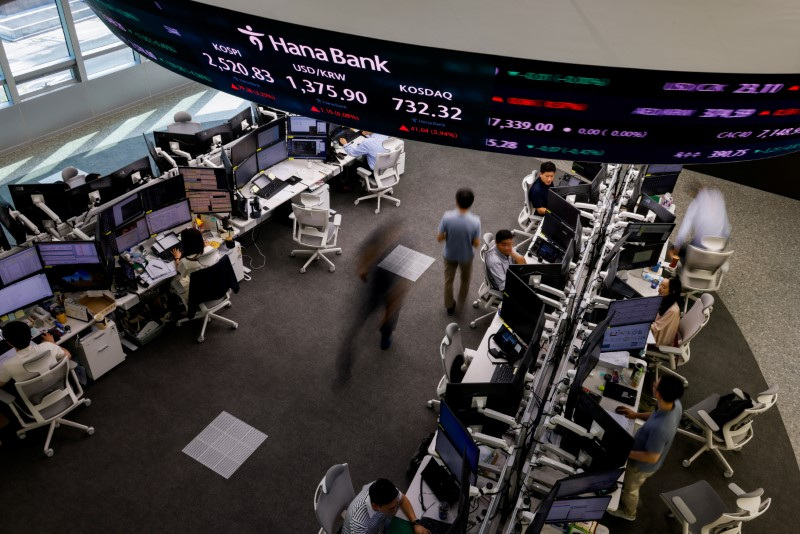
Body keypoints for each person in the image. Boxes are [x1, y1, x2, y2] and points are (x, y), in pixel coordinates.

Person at [336, 222, 411, 382]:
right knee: (368, 317)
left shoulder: (400, 249)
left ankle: (384, 335)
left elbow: (399, 289)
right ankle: (382, 338)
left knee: (376, 315)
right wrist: (363, 270)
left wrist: (387, 314)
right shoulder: (386, 239)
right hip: (379, 285)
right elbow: (365, 254)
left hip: (383, 286)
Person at [608, 375, 685, 522]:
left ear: (658, 394)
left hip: (640, 466)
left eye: (657, 383)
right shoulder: (674, 404)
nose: (655, 382)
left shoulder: (660, 429)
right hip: (644, 447)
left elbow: (651, 457)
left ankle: (629, 512)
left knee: (630, 490)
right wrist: (635, 415)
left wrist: (626, 452)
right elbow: (656, 414)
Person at [437, 188, 481, 316]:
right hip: (466, 256)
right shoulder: (475, 221)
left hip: (449, 254)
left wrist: (449, 236)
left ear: (456, 201)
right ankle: (461, 304)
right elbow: (477, 244)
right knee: (465, 280)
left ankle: (449, 306)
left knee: (448, 281)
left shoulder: (447, 216)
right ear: (471, 203)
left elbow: (439, 238)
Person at [342, 478, 431, 534]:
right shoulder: (358, 523)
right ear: (376, 506)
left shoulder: (384, 489)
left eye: (396, 505)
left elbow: (403, 500)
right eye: (391, 508)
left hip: (380, 525)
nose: (396, 509)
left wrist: (416, 523)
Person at [0, 321, 71, 387]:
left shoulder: (7, 365)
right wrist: (52, 343)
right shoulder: (48, 346)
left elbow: (1, 383)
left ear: (9, 343)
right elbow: (68, 356)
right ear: (30, 335)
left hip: (35, 395)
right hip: (58, 384)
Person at [670, 186, 730, 263]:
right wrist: (719, 249)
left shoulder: (695, 204)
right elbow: (727, 231)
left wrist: (676, 249)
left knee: (675, 249)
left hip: (697, 250)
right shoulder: (719, 197)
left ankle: (680, 269)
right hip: (716, 252)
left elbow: (683, 231)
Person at [171, 227, 219, 307]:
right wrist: (207, 246)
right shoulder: (211, 249)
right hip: (219, 287)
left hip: (201, 296)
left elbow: (179, 270)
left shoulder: (186, 261)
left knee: (174, 280)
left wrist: (177, 257)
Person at [650, 277, 682, 346]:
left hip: (657, 339)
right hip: (655, 326)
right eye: (660, 285)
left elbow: (656, 327)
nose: (659, 289)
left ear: (672, 291)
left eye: (664, 287)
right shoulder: (665, 298)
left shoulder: (673, 310)